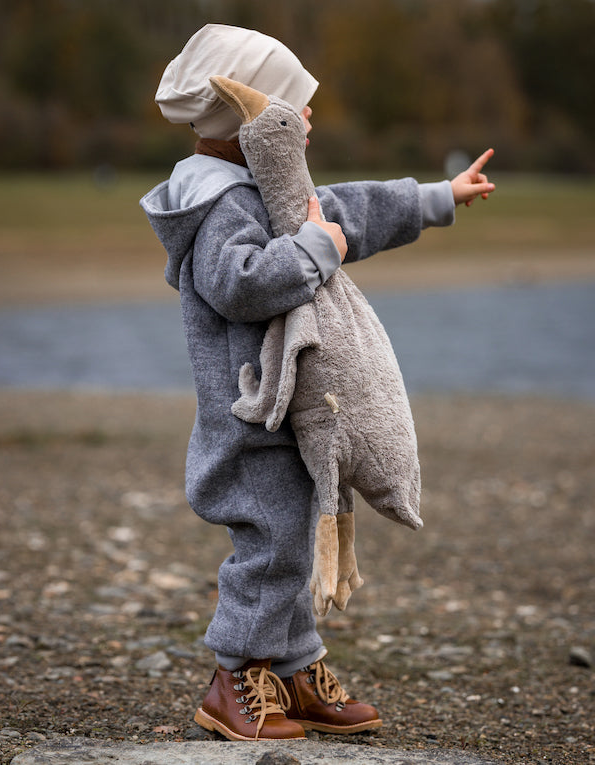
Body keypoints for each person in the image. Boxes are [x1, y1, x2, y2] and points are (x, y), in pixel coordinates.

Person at [140, 23, 495, 742]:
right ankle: (234, 675)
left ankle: (294, 673)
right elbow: (240, 285)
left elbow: (346, 209)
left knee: (296, 542)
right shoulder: (217, 207)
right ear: (247, 124)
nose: (306, 120)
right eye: (291, 109)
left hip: (286, 410)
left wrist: (437, 197)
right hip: (249, 418)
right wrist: (313, 248)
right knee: (271, 549)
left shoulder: (258, 189)